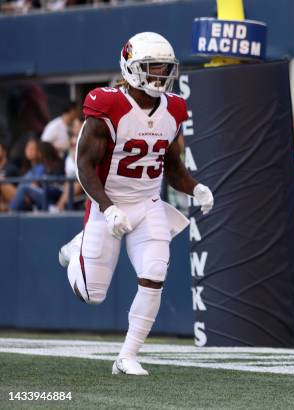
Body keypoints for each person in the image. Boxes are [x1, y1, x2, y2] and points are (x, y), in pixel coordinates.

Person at [57, 32, 214, 376]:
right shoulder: (107, 105)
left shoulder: (173, 108)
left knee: (155, 274)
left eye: (164, 67)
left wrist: (196, 188)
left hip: (148, 203)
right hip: (107, 203)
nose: (160, 74)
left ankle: (127, 356)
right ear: (130, 67)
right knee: (92, 294)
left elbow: (172, 167)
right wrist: (108, 207)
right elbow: (84, 166)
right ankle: (77, 248)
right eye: (152, 67)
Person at [9, 141, 64, 211]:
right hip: (37, 199)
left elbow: (57, 189)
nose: (37, 154)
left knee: (24, 188)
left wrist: (39, 185)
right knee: (23, 189)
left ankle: (11, 212)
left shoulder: (56, 167)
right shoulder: (36, 168)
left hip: (51, 200)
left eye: (38, 151)